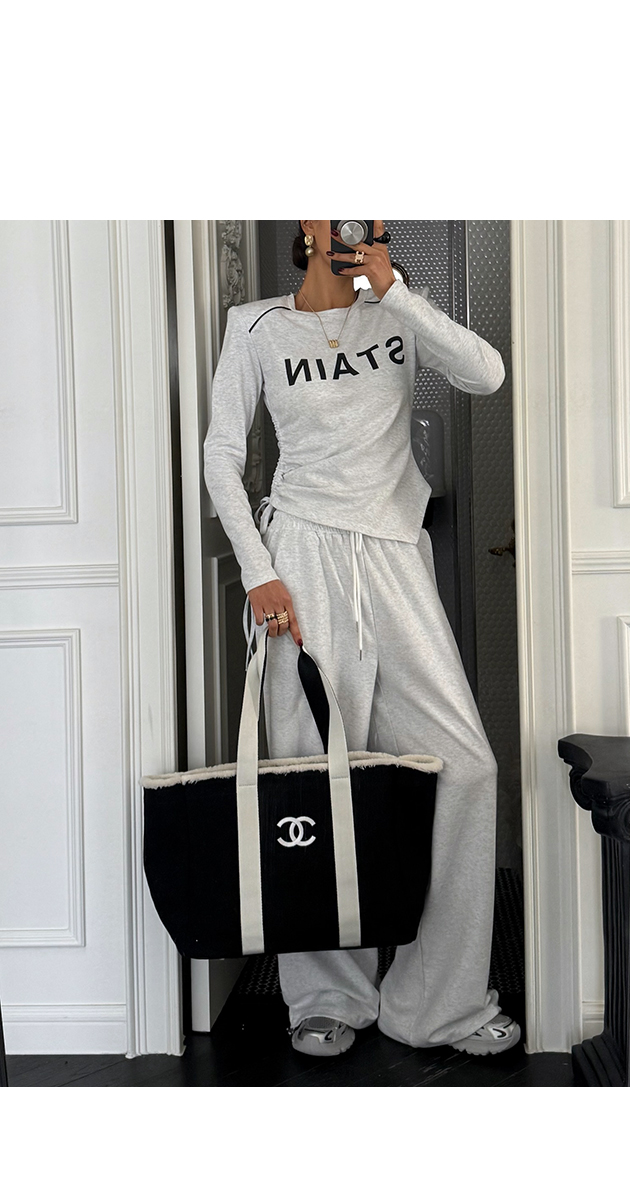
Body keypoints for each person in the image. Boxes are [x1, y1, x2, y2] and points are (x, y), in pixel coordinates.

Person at [203, 219, 521, 1060]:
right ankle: (327, 997)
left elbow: (486, 374)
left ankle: (438, 1004)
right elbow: (221, 453)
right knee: (309, 773)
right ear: (308, 226)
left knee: (464, 765)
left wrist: (396, 290)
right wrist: (258, 570)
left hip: (393, 553)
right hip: (299, 559)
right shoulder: (255, 326)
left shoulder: (399, 311)